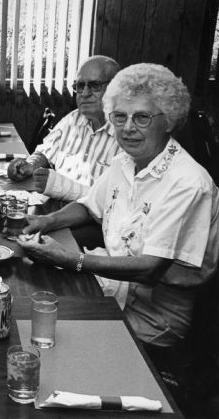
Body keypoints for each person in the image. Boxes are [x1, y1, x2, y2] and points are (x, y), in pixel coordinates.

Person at [18, 63, 219, 379]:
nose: (127, 128)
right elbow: (88, 207)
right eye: (120, 117)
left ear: (168, 121)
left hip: (152, 317)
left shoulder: (189, 183)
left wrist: (74, 260)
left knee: (47, 349)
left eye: (142, 117)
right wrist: (45, 222)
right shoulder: (125, 160)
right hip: (112, 287)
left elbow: (149, 267)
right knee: (30, 308)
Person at [8, 55, 122, 201]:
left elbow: (115, 201)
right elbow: (45, 153)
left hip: (93, 220)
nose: (85, 93)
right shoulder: (73, 119)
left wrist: (60, 188)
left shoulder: (127, 135)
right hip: (55, 208)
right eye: (80, 86)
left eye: (94, 86)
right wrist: (30, 165)